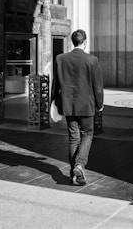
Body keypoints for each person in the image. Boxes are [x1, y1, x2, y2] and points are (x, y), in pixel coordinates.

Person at [51, 29, 104, 185]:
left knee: (74, 138)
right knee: (87, 134)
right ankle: (79, 165)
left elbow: (56, 84)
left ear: (72, 42)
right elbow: (98, 86)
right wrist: (100, 104)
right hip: (86, 106)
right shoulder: (92, 60)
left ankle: (75, 174)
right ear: (85, 42)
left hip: (68, 105)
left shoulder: (60, 59)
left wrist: (53, 101)